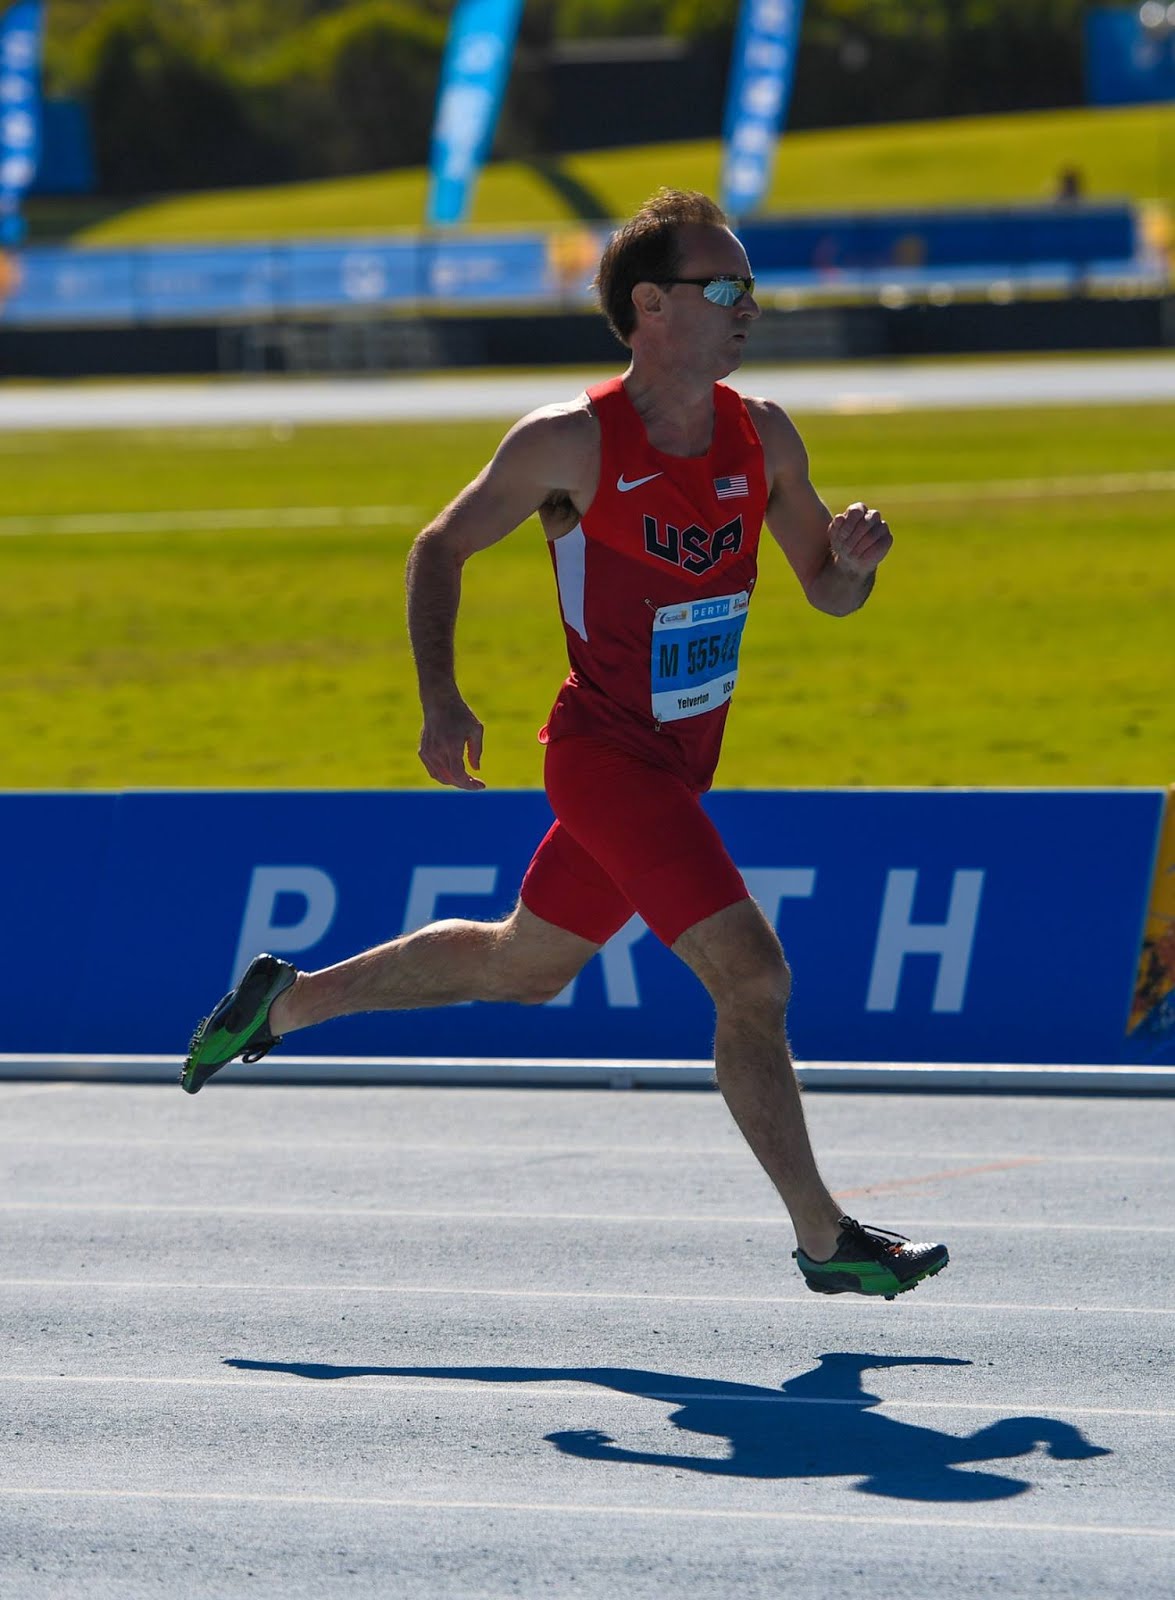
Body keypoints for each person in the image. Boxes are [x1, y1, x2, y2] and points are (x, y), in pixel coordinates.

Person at [182, 189, 949, 1302]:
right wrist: (440, 699)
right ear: (650, 306)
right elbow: (439, 547)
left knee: (521, 966)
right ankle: (821, 1235)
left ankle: (282, 1003)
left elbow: (824, 593)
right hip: (602, 759)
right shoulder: (571, 442)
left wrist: (855, 563)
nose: (750, 306)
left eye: (749, 286)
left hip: (680, 764)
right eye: (723, 286)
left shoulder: (762, 433)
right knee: (752, 976)